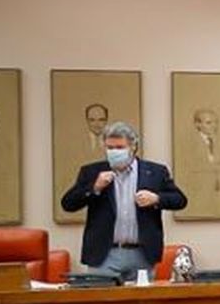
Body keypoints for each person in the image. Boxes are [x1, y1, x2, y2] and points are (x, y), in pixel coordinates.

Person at [60, 121, 187, 282]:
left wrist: (156, 199)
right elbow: (68, 204)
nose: (114, 152)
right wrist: (95, 188)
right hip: (104, 255)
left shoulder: (155, 172)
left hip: (142, 253)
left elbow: (180, 200)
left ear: (133, 147)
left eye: (119, 148)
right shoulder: (92, 172)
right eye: (109, 148)